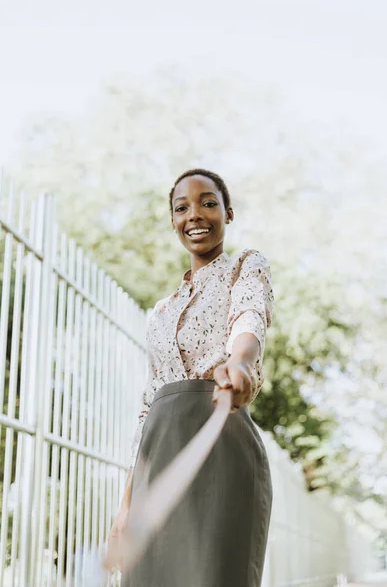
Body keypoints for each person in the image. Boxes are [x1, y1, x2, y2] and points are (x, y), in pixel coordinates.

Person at [109, 169, 274, 587]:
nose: (194, 215)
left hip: (221, 447)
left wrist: (239, 362)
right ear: (173, 221)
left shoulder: (245, 265)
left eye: (208, 202)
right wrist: (126, 506)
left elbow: (248, 317)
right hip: (158, 458)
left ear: (227, 213)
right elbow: (147, 407)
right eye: (181, 207)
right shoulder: (159, 314)